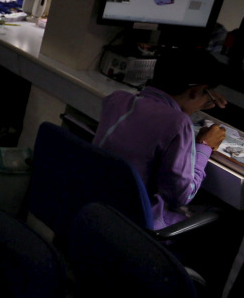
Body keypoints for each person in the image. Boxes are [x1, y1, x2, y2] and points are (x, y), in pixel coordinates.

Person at [95, 48, 227, 230]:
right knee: (219, 216)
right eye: (208, 94)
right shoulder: (179, 124)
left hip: (97, 206)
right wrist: (205, 146)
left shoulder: (116, 100)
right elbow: (181, 196)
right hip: (134, 225)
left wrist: (198, 100)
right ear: (196, 91)